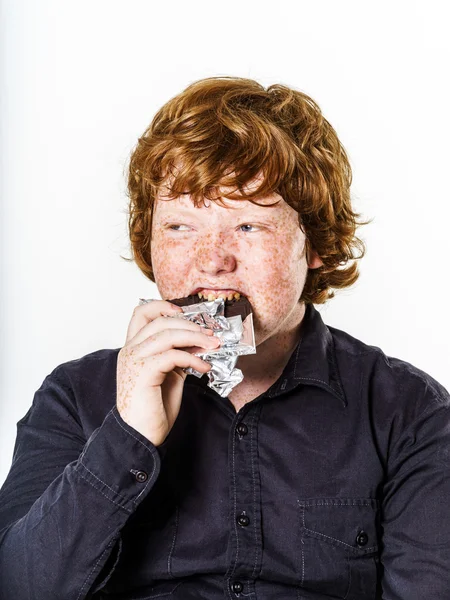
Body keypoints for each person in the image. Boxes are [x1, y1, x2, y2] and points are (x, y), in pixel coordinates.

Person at [0, 76, 449, 600]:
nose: (212, 260)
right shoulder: (75, 396)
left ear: (318, 245)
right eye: (179, 228)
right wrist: (127, 435)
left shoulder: (408, 412)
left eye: (248, 227)